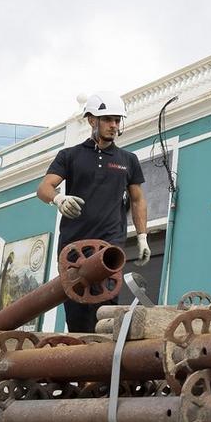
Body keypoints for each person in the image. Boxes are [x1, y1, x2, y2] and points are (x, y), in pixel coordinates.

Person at [37, 92, 150, 332]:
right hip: (73, 246)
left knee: (106, 310)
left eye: (117, 120)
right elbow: (44, 187)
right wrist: (58, 198)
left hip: (109, 244)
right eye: (107, 119)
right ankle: (80, 362)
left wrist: (142, 237)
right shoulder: (70, 156)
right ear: (91, 120)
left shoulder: (128, 160)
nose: (113, 125)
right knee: (77, 312)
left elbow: (138, 199)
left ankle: (106, 364)